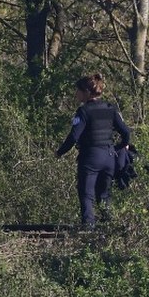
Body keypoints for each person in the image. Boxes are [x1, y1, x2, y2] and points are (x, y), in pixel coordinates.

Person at [56, 73, 131, 228]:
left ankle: (88, 229)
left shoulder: (84, 111)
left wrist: (60, 152)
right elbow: (126, 132)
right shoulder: (110, 108)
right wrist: (122, 146)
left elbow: (74, 136)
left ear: (86, 92)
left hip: (91, 157)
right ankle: (109, 227)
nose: (76, 94)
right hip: (109, 156)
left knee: (86, 193)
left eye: (78, 91)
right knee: (104, 195)